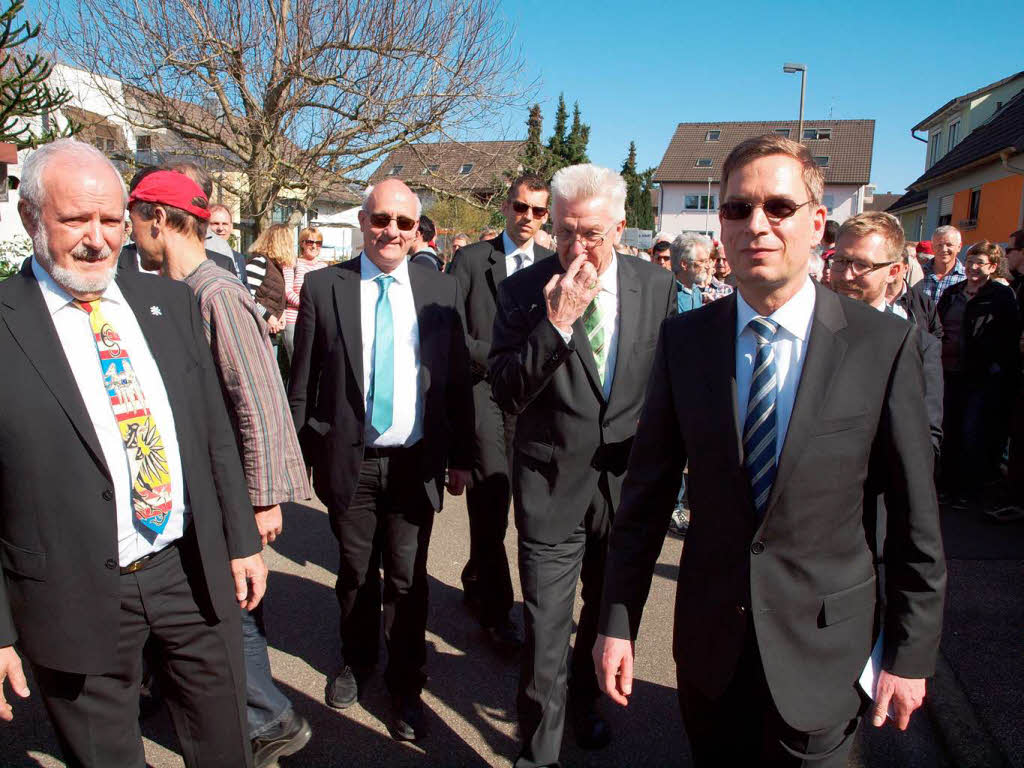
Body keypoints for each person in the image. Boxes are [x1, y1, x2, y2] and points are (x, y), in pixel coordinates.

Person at [594, 134, 946, 767]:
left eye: (778, 207)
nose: (757, 224)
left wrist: (910, 653)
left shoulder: (882, 346)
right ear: (722, 226)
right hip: (709, 653)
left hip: (823, 658)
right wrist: (617, 622)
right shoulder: (685, 341)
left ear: (816, 225)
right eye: (737, 209)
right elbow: (644, 501)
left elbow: (915, 519)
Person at [0, 138, 267, 766]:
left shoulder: (168, 303)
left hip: (187, 570)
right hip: (70, 590)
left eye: (111, 220)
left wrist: (241, 539)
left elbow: (211, 434)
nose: (98, 239)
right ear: (31, 218)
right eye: (75, 220)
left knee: (226, 745)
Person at [489, 163, 676, 767]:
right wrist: (558, 323)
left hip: (624, 488)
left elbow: (669, 388)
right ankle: (538, 751)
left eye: (591, 233)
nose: (576, 247)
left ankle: (586, 705)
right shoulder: (524, 290)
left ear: (622, 226)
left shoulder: (657, 287)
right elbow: (506, 390)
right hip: (549, 487)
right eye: (564, 232)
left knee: (604, 615)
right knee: (545, 630)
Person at [127, 169, 314, 767]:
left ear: (159, 217)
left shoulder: (217, 293)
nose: (128, 232)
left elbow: (258, 401)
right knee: (225, 605)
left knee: (233, 607)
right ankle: (248, 714)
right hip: (197, 492)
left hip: (230, 492)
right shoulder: (174, 289)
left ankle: (267, 719)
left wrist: (260, 500)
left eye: (131, 217)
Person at [288, 178, 473, 741]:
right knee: (354, 572)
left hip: (415, 463)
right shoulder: (326, 287)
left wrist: (462, 455)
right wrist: (293, 461)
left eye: (404, 223)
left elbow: (456, 383)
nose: (391, 231)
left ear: (418, 231)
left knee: (409, 577)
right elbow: (303, 383)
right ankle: (356, 659)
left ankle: (406, 682)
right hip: (352, 460)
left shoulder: (439, 291)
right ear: (364, 221)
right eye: (381, 219)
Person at [448, 173, 554, 653]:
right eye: (519, 207)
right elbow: (448, 332)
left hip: (533, 401)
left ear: (546, 215)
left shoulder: (553, 266)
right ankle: (497, 614)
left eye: (536, 211)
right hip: (485, 393)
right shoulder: (471, 260)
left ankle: (477, 576)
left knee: (528, 503)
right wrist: (496, 357)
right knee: (491, 500)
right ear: (506, 208)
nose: (526, 217)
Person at [830, 212, 943, 457]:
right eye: (840, 261)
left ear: (894, 272)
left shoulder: (917, 345)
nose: (847, 275)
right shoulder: (802, 331)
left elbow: (924, 442)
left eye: (862, 265)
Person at [937, 241, 1020, 502]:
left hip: (980, 376)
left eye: (979, 263)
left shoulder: (1000, 296)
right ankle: (945, 484)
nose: (972, 267)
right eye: (970, 261)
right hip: (948, 372)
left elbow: (1009, 335)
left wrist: (994, 364)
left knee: (971, 432)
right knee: (947, 428)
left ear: (992, 267)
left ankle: (965, 490)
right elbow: (937, 325)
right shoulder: (953, 293)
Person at [281, 227, 327, 364]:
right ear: (302, 243)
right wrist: (308, 306)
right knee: (297, 363)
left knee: (315, 364)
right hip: (294, 320)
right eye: (310, 242)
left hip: (317, 322)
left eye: (318, 243)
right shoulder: (292, 263)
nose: (314, 246)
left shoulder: (324, 266)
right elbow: (287, 291)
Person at [246, 224, 293, 341]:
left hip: (268, 330)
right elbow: (247, 296)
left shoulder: (274, 266)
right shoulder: (259, 262)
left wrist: (281, 313)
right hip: (256, 330)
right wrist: (267, 316)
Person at [208, 203, 249, 287]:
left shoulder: (238, 258)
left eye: (225, 224)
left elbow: (245, 287)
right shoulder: (200, 256)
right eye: (215, 223)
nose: (220, 228)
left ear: (231, 227)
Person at [921, 225, 965, 302]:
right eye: (939, 245)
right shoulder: (919, 273)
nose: (944, 249)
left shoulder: (966, 277)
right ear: (932, 247)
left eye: (949, 245)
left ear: (959, 247)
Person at [671, 232, 709, 312]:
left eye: (707, 261)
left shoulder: (696, 291)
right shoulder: (669, 293)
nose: (707, 266)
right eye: (702, 261)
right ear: (684, 264)